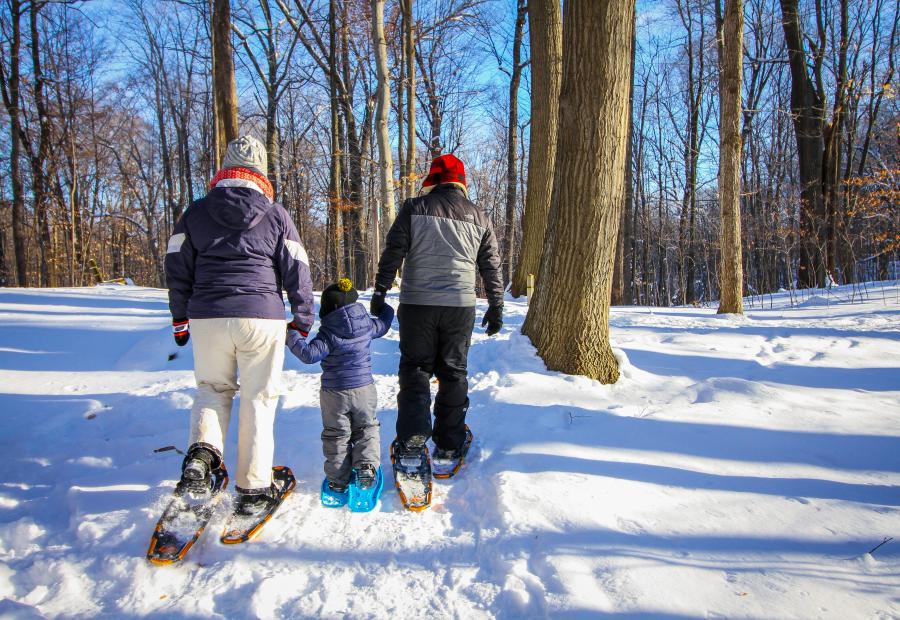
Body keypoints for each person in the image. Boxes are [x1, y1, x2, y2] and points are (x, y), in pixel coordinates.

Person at [165, 135, 314, 516]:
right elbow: (298, 268)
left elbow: (177, 267)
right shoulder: (275, 213)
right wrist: (301, 320)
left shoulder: (195, 212)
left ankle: (201, 456)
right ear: (261, 171)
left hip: (208, 316)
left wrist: (179, 317)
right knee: (259, 398)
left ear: (225, 168)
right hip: (260, 318)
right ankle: (253, 488)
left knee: (213, 390)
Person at [371, 153, 503, 465]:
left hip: (418, 304)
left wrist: (380, 289)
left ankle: (414, 437)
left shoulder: (414, 208)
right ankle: (449, 442)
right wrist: (496, 304)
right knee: (454, 371)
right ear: (462, 182)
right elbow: (491, 265)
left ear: (434, 179)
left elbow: (394, 251)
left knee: (416, 369)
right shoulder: (480, 216)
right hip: (459, 305)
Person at [286, 278, 395, 503]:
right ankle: (365, 468)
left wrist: (292, 334)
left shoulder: (328, 333)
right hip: (364, 389)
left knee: (337, 434)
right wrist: (385, 308)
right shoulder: (366, 325)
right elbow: (384, 324)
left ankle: (337, 479)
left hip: (334, 394)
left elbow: (308, 355)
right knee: (366, 428)